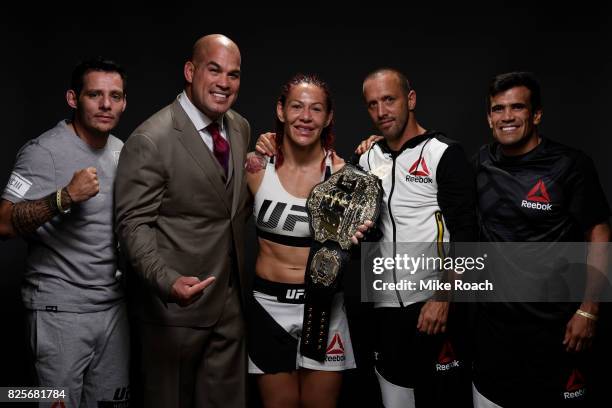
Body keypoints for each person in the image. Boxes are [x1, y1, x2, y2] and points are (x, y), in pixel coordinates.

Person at [259, 68, 476, 407]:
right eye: (372, 104)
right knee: (394, 400)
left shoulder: (444, 153)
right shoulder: (365, 158)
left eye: (389, 100)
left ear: (411, 99)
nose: (381, 112)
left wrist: (444, 297)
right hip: (384, 311)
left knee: (445, 398)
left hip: (433, 305)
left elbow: (467, 234)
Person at [114, 34, 250, 408]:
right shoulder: (151, 139)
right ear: (190, 72)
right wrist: (167, 281)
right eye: (214, 70)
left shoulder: (239, 128)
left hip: (230, 308)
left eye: (234, 74)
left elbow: (227, 205)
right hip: (174, 310)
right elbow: (132, 225)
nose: (225, 82)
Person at [472, 71, 611, 407]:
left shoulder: (569, 165)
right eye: (498, 108)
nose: (507, 117)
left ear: (536, 115)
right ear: (489, 117)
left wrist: (589, 311)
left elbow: (599, 234)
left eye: (517, 107)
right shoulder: (480, 162)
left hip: (558, 331)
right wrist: (377, 145)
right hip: (495, 333)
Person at [0, 57, 129, 407]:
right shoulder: (42, 152)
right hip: (59, 310)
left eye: (115, 96)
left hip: (113, 310)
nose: (106, 105)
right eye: (95, 95)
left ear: (124, 102)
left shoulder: (123, 152)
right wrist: (64, 197)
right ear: (74, 99)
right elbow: (3, 222)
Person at [246, 73, 367, 408]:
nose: (305, 117)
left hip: (324, 307)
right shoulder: (256, 167)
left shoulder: (345, 176)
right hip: (269, 307)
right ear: (281, 111)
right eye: (297, 106)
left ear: (328, 117)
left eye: (316, 109)